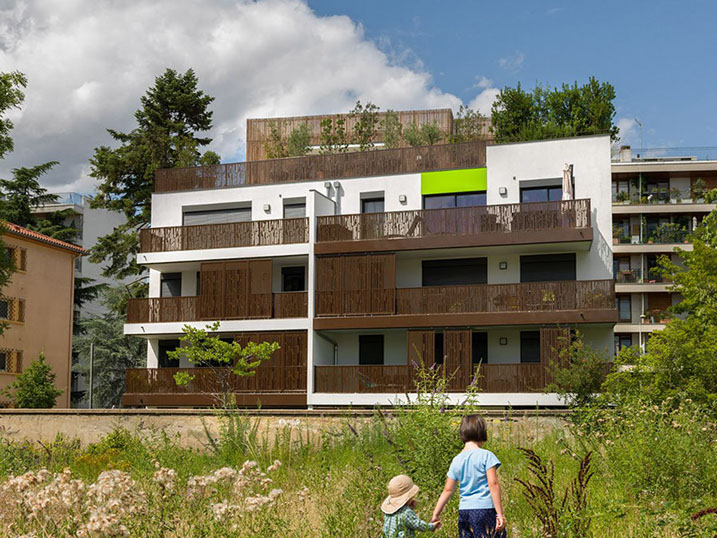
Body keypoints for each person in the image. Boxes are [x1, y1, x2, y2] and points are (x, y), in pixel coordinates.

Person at [431, 414, 506, 538]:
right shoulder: (486, 455)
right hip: (485, 509)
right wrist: (499, 514)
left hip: (464, 511)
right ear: (482, 433)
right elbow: (493, 484)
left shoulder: (456, 460)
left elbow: (448, 490)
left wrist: (435, 514)